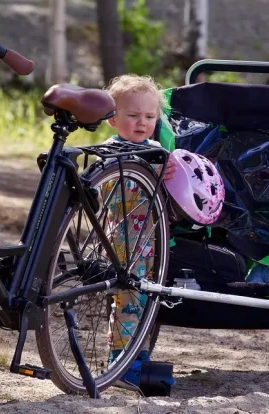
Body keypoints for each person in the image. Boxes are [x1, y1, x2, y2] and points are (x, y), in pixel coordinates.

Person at [102, 75, 175, 389]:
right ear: (113, 119)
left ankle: (138, 354)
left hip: (150, 240)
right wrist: (149, 175)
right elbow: (112, 194)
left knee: (147, 300)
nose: (142, 123)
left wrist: (168, 174)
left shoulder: (155, 149)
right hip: (124, 241)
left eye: (149, 116)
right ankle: (120, 360)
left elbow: (165, 193)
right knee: (127, 300)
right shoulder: (111, 151)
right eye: (133, 116)